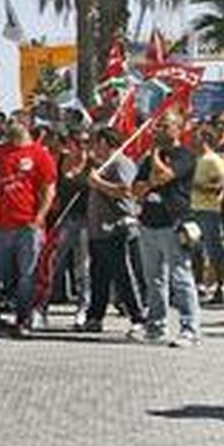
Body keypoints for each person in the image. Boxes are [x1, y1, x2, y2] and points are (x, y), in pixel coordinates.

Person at [0, 112, 56, 337]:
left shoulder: (40, 154)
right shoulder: (1, 150)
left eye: (15, 122)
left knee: (27, 274)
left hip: (28, 225)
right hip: (2, 222)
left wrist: (40, 217)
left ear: (26, 125)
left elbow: (49, 189)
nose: (10, 126)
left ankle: (24, 318)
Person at [133, 108, 202, 346]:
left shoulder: (185, 155)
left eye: (165, 125)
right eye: (158, 125)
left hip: (173, 224)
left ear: (178, 128)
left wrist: (154, 155)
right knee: (154, 279)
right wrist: (150, 180)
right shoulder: (148, 159)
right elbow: (137, 190)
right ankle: (156, 325)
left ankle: (189, 328)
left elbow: (165, 176)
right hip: (149, 223)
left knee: (181, 277)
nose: (158, 129)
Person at [85, 126, 146, 334]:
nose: (94, 146)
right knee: (98, 276)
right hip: (98, 230)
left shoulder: (121, 163)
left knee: (123, 275)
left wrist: (98, 183)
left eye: (96, 142)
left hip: (116, 229)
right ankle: (95, 316)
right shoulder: (103, 165)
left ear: (105, 143)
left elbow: (125, 191)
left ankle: (138, 316)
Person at [42, 129, 92, 329]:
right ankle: (41, 307)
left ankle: (83, 308)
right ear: (68, 144)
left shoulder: (95, 164)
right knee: (52, 264)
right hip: (62, 220)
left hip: (86, 222)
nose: (82, 147)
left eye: (86, 143)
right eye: (78, 142)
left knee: (83, 268)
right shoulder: (58, 161)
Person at [189, 124, 224, 304]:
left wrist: (198, 187)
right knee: (195, 250)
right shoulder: (196, 159)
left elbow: (220, 186)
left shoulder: (213, 160)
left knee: (214, 251)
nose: (191, 140)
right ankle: (199, 285)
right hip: (194, 209)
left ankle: (221, 286)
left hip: (210, 211)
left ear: (204, 139)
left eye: (194, 137)